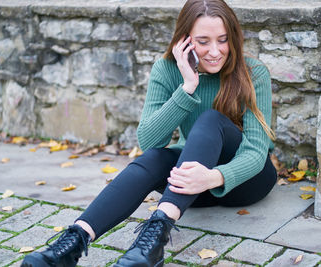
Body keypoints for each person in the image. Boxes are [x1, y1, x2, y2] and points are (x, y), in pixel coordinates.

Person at [21, 0, 277, 266]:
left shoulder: (253, 72)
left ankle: (155, 236)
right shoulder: (167, 70)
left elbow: (256, 152)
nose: (215, 51)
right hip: (191, 185)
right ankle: (74, 242)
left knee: (210, 120)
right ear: (185, 41)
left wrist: (212, 177)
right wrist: (188, 86)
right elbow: (150, 141)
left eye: (223, 40)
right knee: (153, 159)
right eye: (203, 42)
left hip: (248, 180)